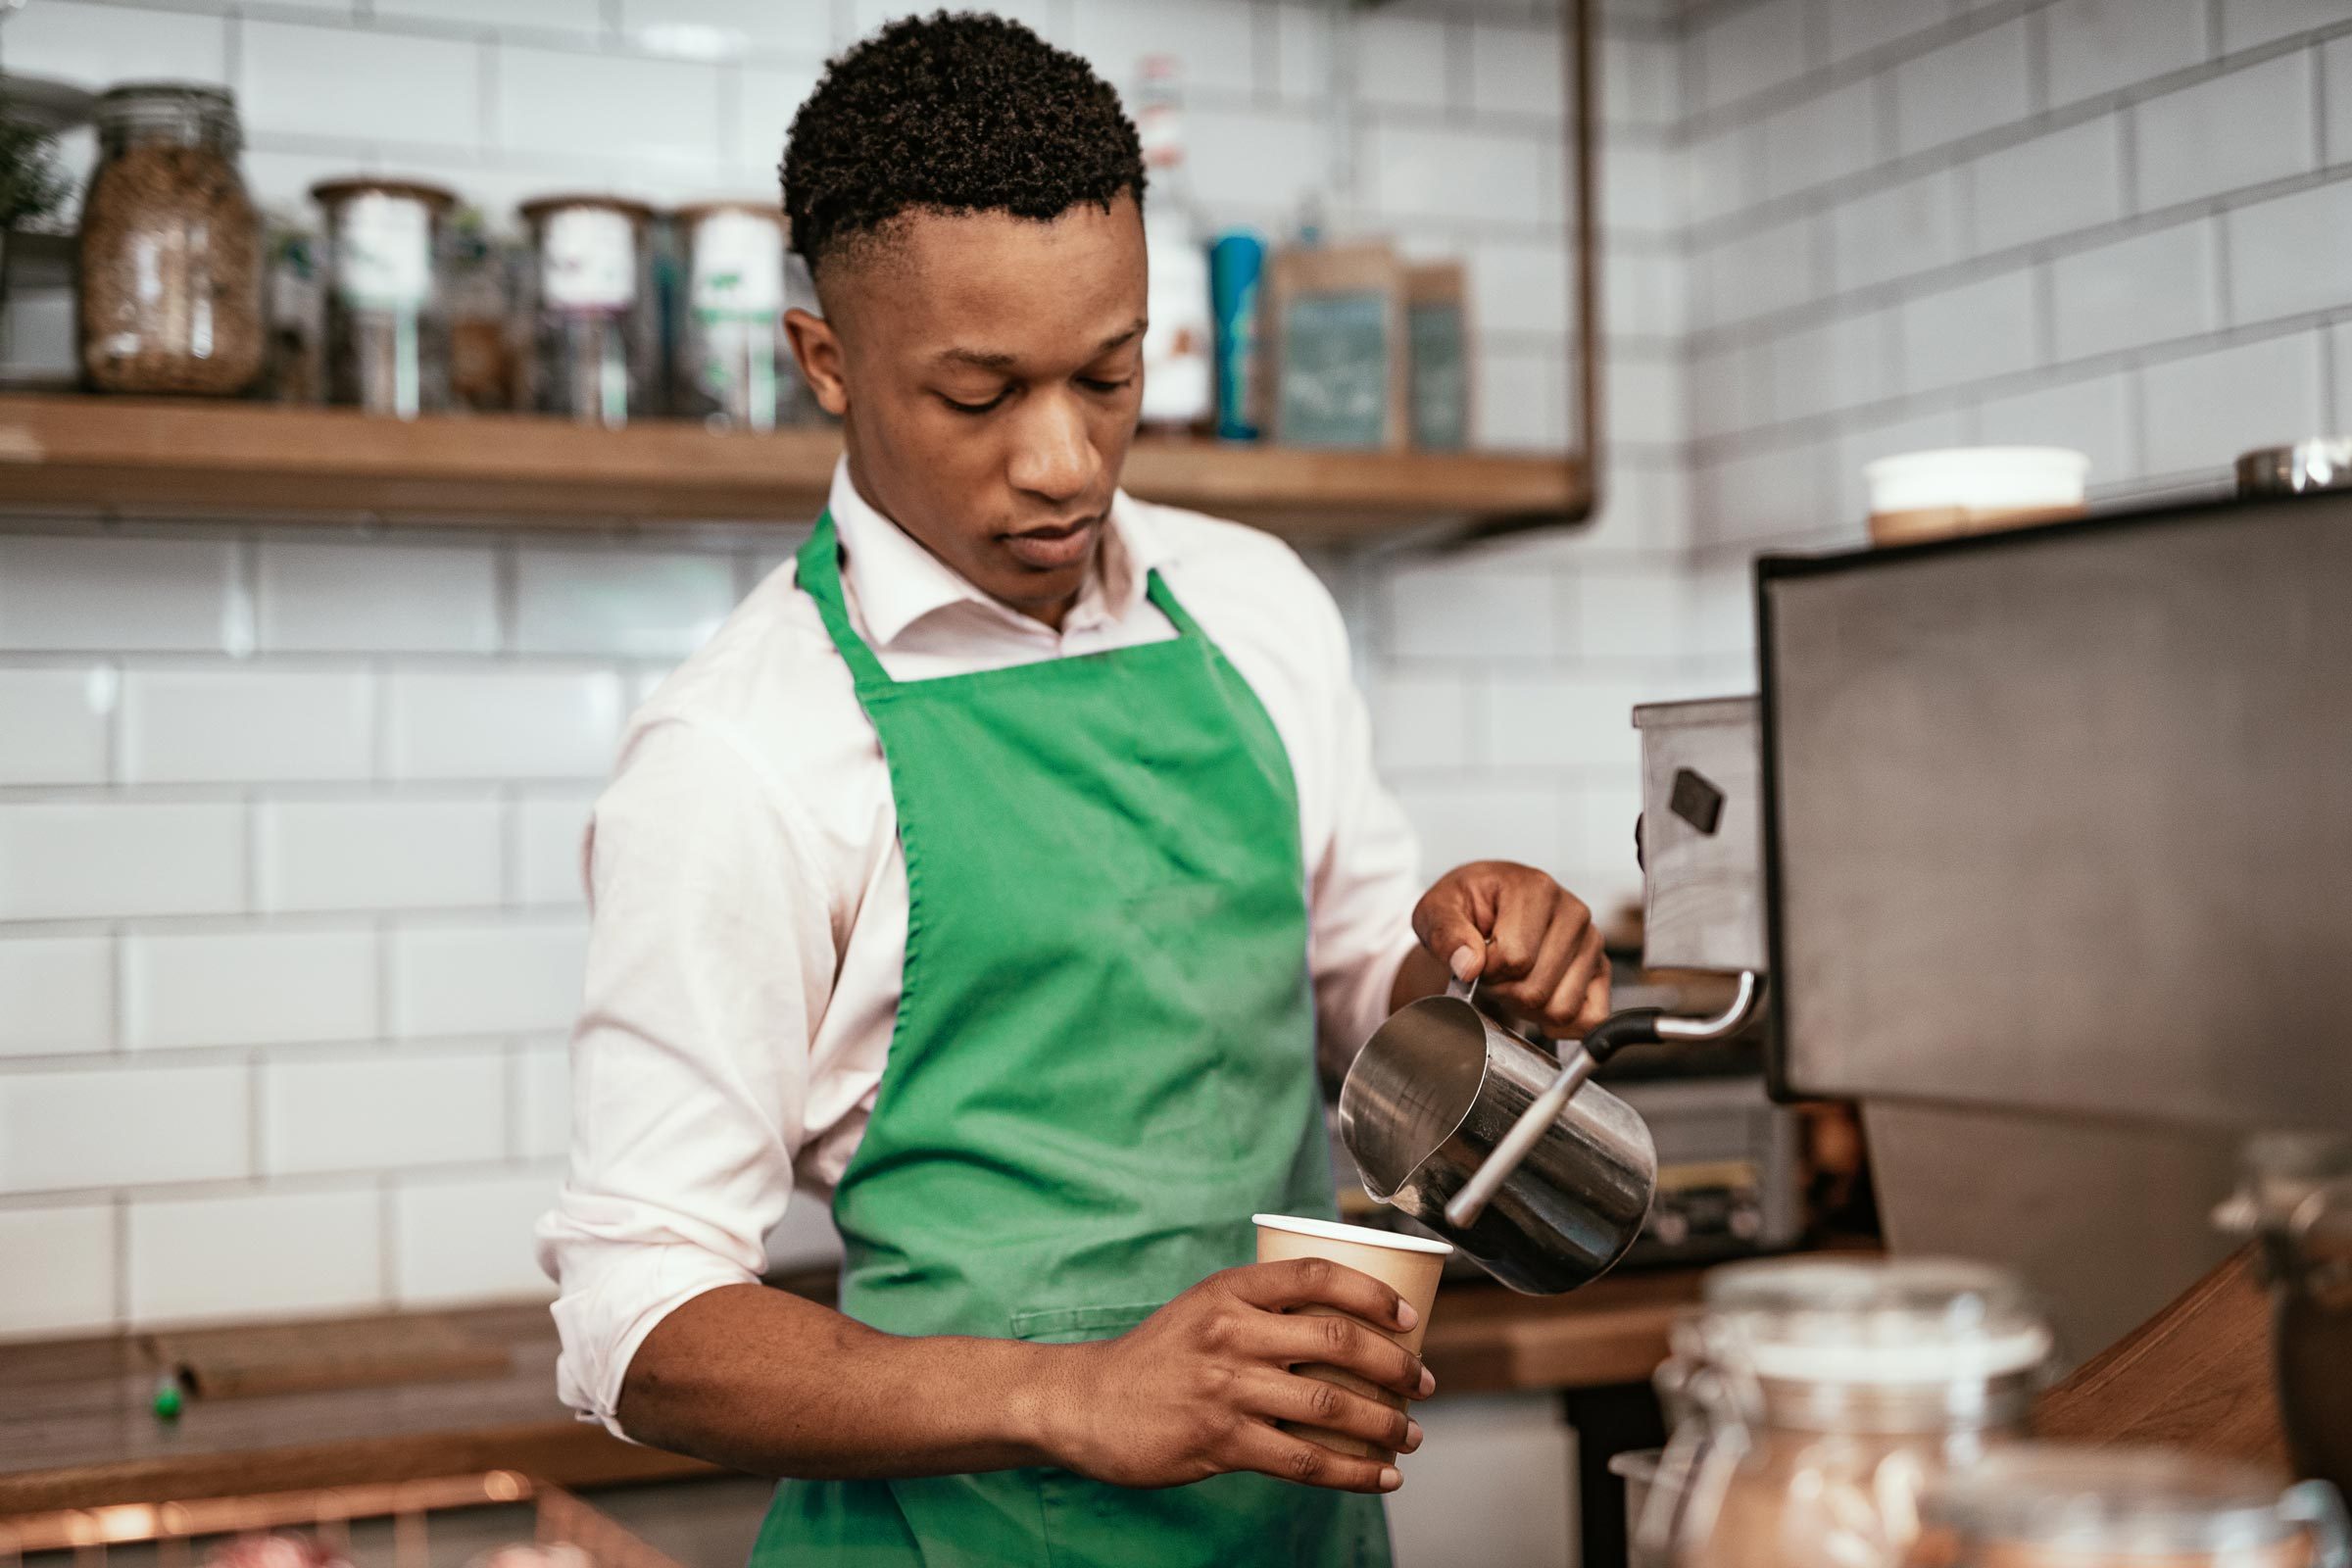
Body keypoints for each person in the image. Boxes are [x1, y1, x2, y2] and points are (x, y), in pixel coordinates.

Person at [538, 14, 1612, 1566]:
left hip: (1294, 1536)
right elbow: (637, 1316)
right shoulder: (739, 753)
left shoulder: (1254, 604)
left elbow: (1360, 999)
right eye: (979, 396)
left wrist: (1469, 970)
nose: (1063, 462)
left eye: (1109, 374)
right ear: (826, 362)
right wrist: (1074, 1395)